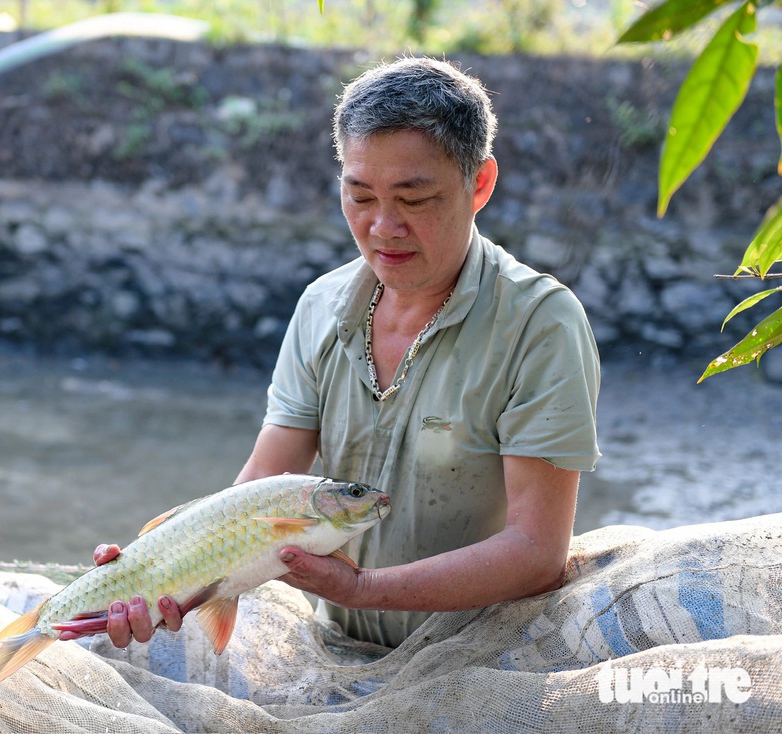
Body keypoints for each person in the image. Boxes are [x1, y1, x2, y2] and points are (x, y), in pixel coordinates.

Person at [72, 55, 601, 651]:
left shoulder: (539, 323)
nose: (383, 226)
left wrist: (364, 586)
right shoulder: (321, 305)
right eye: (360, 195)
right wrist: (159, 567)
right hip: (334, 648)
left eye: (415, 197)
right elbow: (263, 485)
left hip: (484, 655)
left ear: (479, 183)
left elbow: (537, 553)